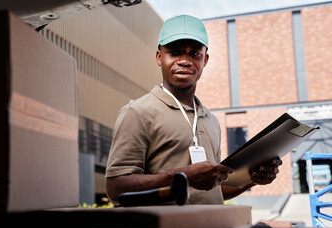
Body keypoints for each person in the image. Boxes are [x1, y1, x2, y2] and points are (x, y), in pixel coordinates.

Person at [105, 15, 282, 205]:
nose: (184, 61)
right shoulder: (137, 112)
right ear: (159, 57)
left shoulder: (210, 120)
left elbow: (213, 189)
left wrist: (252, 179)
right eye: (174, 52)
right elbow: (116, 188)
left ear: (204, 59)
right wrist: (181, 177)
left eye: (194, 54)